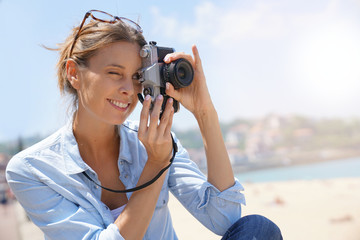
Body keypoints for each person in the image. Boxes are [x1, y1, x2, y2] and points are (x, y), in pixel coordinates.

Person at [6, 10, 282, 240]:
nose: (128, 89)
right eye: (114, 73)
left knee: (258, 229)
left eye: (137, 76)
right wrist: (155, 165)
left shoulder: (157, 141)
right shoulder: (32, 169)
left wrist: (204, 113)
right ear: (73, 73)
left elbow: (225, 220)